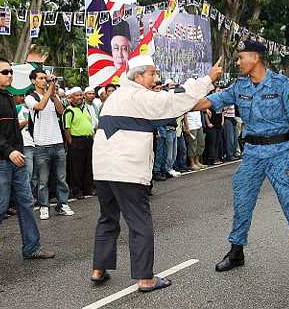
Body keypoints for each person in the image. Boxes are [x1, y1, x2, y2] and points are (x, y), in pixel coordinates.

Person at [192, 40, 289, 277]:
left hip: (279, 153)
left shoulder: (281, 83)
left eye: (240, 58)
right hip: (252, 155)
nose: (237, 62)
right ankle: (236, 252)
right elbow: (207, 102)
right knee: (242, 202)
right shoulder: (239, 86)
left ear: (255, 57)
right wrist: (175, 102)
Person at [91, 55, 222, 291]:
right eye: (152, 73)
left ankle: (98, 268)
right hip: (126, 170)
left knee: (107, 218)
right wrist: (208, 79)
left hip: (102, 169)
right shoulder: (140, 96)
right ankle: (145, 278)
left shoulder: (117, 96)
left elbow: (174, 102)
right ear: (138, 75)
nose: (156, 78)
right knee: (139, 221)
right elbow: (173, 100)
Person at [0, 57, 55, 261]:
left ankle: (32, 247)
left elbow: (11, 128)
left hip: (16, 158)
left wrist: (18, 148)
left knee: (26, 202)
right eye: (5, 72)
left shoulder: (7, 96)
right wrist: (9, 151)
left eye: (11, 72)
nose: (10, 75)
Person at [25, 70, 74, 220]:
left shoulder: (52, 95)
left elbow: (61, 111)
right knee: (43, 180)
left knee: (61, 178)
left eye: (45, 78)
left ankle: (63, 204)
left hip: (58, 142)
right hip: (41, 145)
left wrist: (53, 94)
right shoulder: (29, 97)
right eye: (41, 78)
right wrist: (50, 90)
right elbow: (40, 106)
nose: (44, 81)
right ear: (33, 81)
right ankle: (44, 206)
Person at [63, 87, 94, 199]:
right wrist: (71, 143)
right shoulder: (69, 111)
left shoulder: (86, 108)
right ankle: (77, 190)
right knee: (76, 167)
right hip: (76, 141)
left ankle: (87, 189)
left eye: (81, 95)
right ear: (71, 98)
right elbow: (67, 128)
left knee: (88, 165)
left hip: (88, 140)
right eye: (77, 95)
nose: (80, 97)